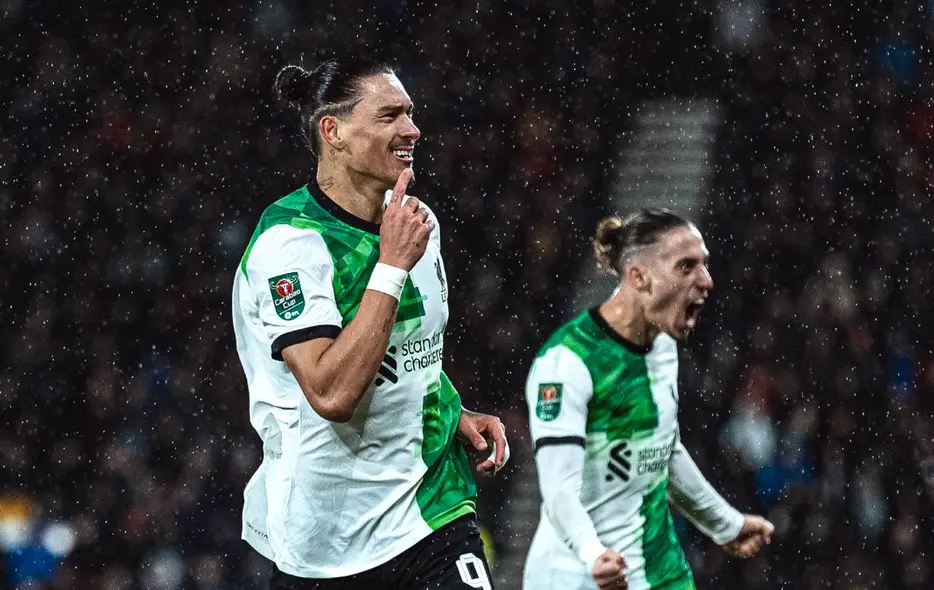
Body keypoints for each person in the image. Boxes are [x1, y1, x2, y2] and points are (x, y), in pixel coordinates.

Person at [231, 57, 509, 590]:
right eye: (389, 116)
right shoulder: (290, 244)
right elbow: (332, 394)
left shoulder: (415, 223)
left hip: (431, 510)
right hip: (326, 543)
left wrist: (453, 407)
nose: (412, 129)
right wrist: (389, 267)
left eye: (410, 114)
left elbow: (411, 348)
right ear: (332, 131)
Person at [522, 209, 774, 590]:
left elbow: (664, 450)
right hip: (580, 576)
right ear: (638, 277)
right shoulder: (568, 363)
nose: (706, 281)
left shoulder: (662, 346)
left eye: (704, 265)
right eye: (686, 267)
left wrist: (725, 524)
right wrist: (593, 554)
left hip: (660, 572)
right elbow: (559, 489)